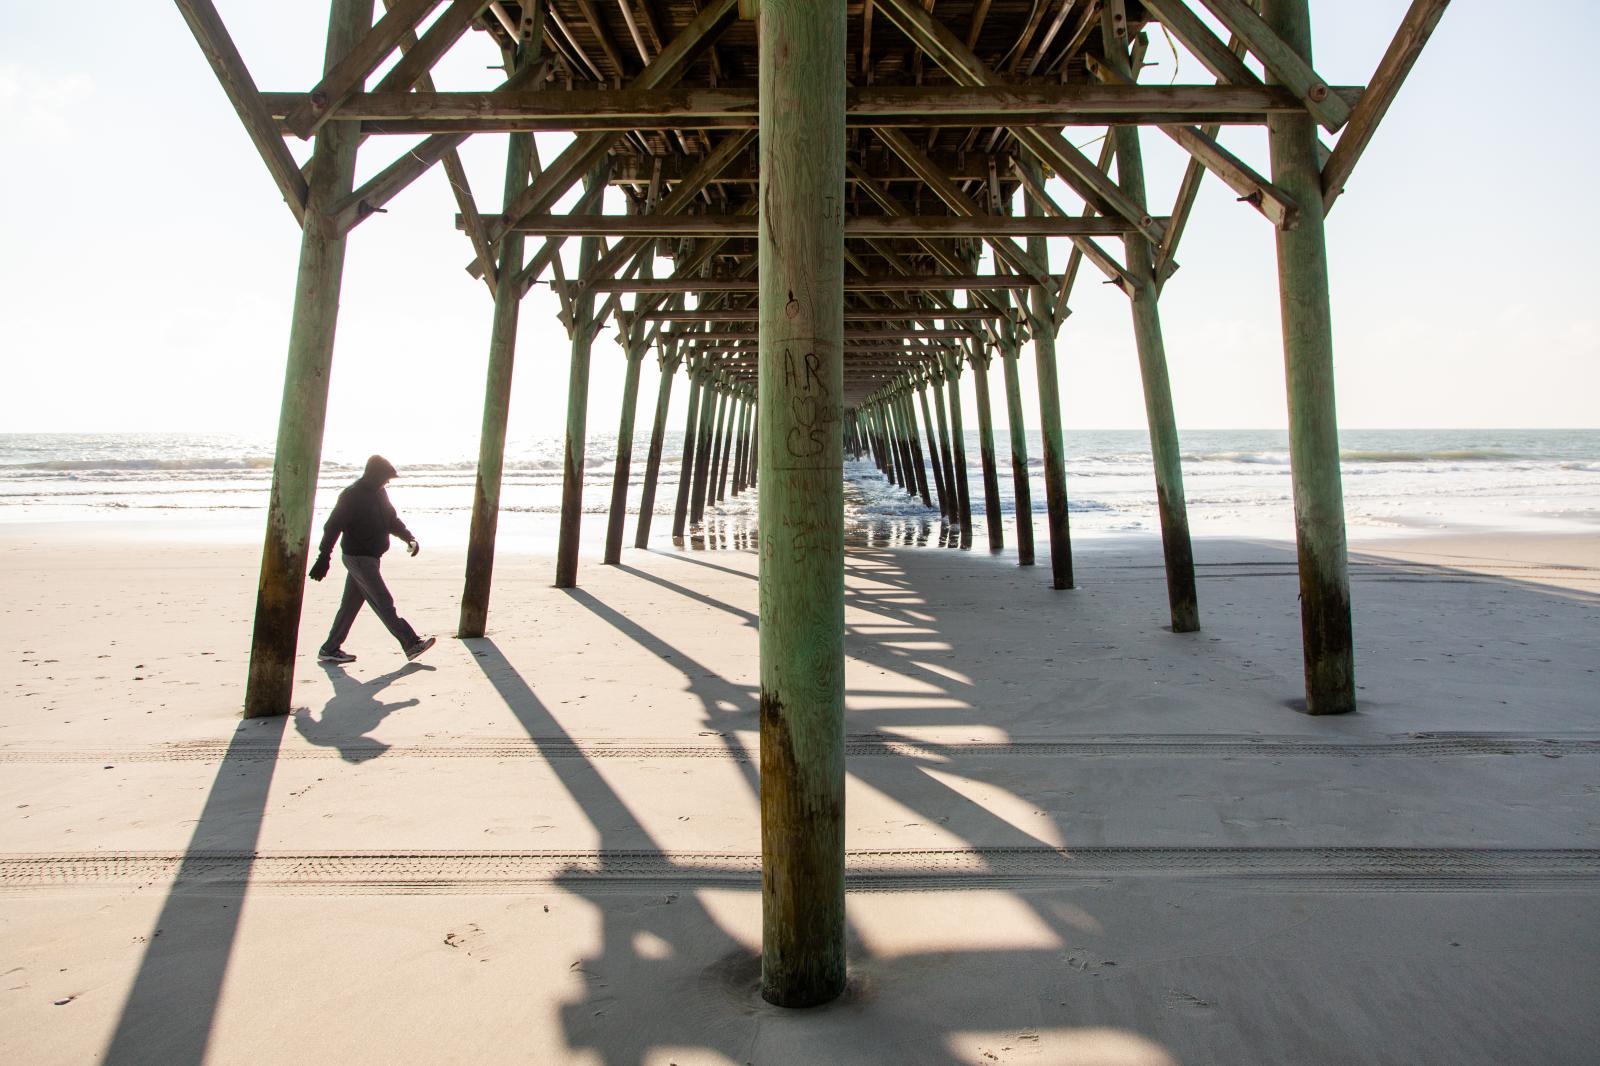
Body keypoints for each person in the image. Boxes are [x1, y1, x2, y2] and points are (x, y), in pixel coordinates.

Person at [308, 455, 435, 664]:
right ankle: (411, 643)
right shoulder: (351, 495)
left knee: (350, 605)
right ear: (374, 475)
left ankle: (330, 648)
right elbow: (332, 526)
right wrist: (324, 556)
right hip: (358, 557)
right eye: (385, 478)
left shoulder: (380, 492)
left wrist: (408, 537)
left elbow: (391, 520)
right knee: (383, 601)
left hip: (370, 558)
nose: (387, 482)